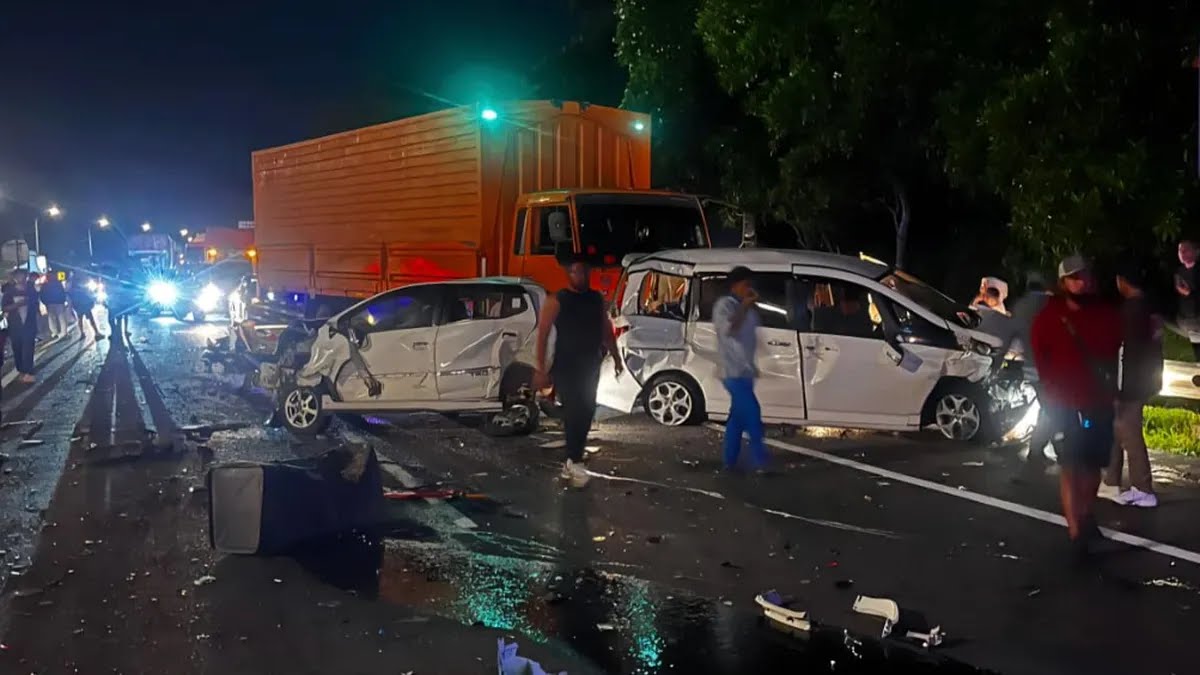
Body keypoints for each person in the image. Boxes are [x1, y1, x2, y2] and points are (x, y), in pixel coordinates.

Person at [1030, 255, 1122, 559]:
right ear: (1063, 282)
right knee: (1070, 465)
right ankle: (1076, 532)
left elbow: (1114, 348)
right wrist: (1050, 392)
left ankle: (1085, 515)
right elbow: (1040, 356)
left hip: (1098, 402)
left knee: (1094, 465)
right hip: (1064, 405)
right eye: (1074, 277)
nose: (1080, 282)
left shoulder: (1105, 314)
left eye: (1084, 276)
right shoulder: (1049, 316)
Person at [533, 251, 622, 488]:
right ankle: (574, 458)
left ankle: (573, 457)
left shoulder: (595, 299)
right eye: (575, 271)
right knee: (575, 409)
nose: (580, 276)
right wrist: (540, 368)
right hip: (566, 364)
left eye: (584, 271)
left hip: (590, 364)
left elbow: (606, 329)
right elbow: (542, 334)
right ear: (569, 273)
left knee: (587, 409)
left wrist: (616, 357)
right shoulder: (558, 300)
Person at [1097, 263, 1162, 507]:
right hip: (1143, 380)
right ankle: (1110, 482)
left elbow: (1123, 352)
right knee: (1117, 430)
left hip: (1129, 383)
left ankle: (1143, 489)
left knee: (1129, 432)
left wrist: (1119, 386)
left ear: (1123, 281)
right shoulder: (1149, 309)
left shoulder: (1131, 310)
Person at [993, 274, 1056, 461]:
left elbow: (1008, 337)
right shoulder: (1051, 304)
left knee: (1050, 408)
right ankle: (1042, 450)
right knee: (1053, 409)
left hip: (1032, 368)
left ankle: (1040, 449)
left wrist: (996, 363)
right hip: (1053, 367)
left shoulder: (1020, 306)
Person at [712, 266, 768, 471]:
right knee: (753, 412)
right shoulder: (725, 305)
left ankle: (730, 460)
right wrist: (744, 306)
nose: (749, 288)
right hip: (731, 370)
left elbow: (750, 339)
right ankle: (761, 461)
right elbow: (729, 329)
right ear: (735, 285)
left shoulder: (748, 309)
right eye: (746, 284)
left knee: (737, 418)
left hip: (745, 370)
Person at [4, 269, 39, 383]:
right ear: (15, 278)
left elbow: (35, 304)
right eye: (18, 276)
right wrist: (17, 305)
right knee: (17, 349)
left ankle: (29, 372)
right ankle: (21, 371)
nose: (21, 279)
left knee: (28, 349)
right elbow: (4, 307)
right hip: (15, 326)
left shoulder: (31, 290)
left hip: (29, 325)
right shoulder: (9, 292)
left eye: (23, 276)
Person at [1175, 240, 1200, 359]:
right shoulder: (1179, 272)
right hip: (1187, 320)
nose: (1182, 252)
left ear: (1196, 252)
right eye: (1180, 250)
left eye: (1186, 249)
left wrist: (1190, 293)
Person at [68, 273, 102, 340]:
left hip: (77, 304)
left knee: (80, 319)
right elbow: (88, 293)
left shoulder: (72, 286)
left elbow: (70, 296)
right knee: (91, 319)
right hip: (84, 304)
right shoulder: (82, 284)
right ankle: (97, 333)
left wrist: (71, 306)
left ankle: (82, 333)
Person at [40, 272, 70, 339]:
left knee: (53, 318)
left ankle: (56, 332)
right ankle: (62, 332)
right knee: (60, 317)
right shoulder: (57, 284)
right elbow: (62, 292)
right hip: (56, 302)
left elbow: (42, 295)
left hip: (53, 303)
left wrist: (45, 302)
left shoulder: (46, 285)